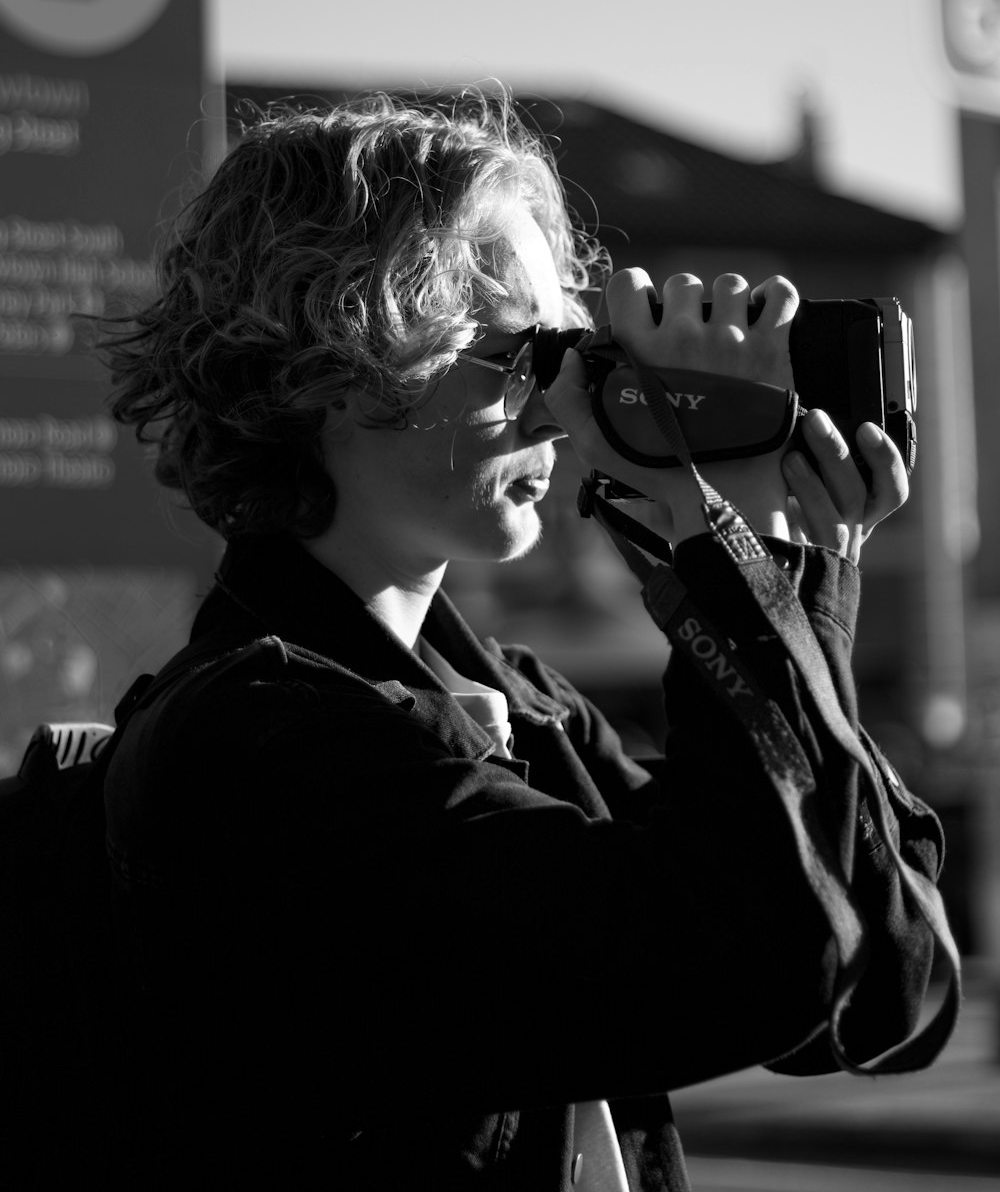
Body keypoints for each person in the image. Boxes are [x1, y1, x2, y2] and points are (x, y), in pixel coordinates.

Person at [96, 88, 942, 1192]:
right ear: (336, 362)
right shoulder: (261, 745)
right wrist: (729, 555)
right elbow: (768, 957)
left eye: (574, 357)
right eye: (520, 355)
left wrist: (785, 568)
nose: (560, 410)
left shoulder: (521, 707)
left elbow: (884, 992)